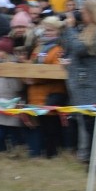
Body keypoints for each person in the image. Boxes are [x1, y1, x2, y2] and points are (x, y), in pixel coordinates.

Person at [60, 0, 96, 175]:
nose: (80, 14)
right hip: (83, 85)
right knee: (91, 127)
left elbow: (80, 49)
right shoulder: (86, 30)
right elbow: (70, 46)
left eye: (83, 11)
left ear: (92, 13)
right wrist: (66, 29)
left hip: (94, 86)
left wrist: (69, 28)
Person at [25, 16, 68, 159]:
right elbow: (31, 65)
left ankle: (52, 154)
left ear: (58, 32)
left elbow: (57, 71)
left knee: (51, 126)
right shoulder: (38, 47)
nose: (47, 32)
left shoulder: (59, 50)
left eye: (51, 30)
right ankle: (40, 154)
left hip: (51, 92)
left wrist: (34, 79)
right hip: (35, 92)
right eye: (45, 29)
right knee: (40, 125)